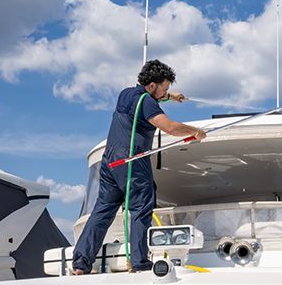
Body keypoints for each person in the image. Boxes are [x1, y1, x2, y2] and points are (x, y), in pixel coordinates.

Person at [72, 60, 207, 273]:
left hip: (110, 162)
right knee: (141, 208)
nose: (166, 91)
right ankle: (139, 262)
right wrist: (195, 131)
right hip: (132, 161)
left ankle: (81, 262)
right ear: (152, 85)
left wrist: (171, 97)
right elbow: (170, 127)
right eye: (164, 87)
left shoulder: (126, 94)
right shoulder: (148, 103)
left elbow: (150, 99)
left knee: (102, 211)